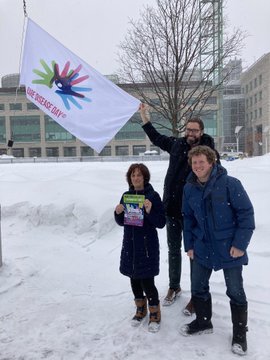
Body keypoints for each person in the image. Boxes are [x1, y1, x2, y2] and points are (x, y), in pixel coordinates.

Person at [140, 103, 219, 313]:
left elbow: (216, 177)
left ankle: (196, 294)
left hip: (194, 213)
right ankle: (174, 286)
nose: (190, 132)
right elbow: (156, 138)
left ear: (201, 132)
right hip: (172, 209)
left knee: (194, 253)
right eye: (188, 129)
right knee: (173, 250)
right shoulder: (177, 144)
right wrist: (145, 118)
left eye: (194, 130)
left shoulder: (208, 153)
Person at [180, 146, 255, 356]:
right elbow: (188, 218)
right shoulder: (189, 188)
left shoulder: (230, 184)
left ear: (211, 162)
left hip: (229, 248)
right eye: (194, 163)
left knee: (235, 291)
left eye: (201, 162)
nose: (197, 166)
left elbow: (246, 214)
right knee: (198, 286)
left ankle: (240, 333)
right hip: (202, 246)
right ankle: (204, 323)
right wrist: (190, 245)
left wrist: (240, 245)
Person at [114, 163, 166, 333]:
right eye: (133, 175)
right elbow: (122, 222)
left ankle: (154, 312)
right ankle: (140, 308)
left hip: (146, 246)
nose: (136, 178)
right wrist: (118, 212)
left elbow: (160, 222)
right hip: (130, 245)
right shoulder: (126, 195)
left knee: (147, 282)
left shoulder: (152, 196)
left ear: (145, 178)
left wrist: (150, 210)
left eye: (139, 175)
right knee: (134, 279)